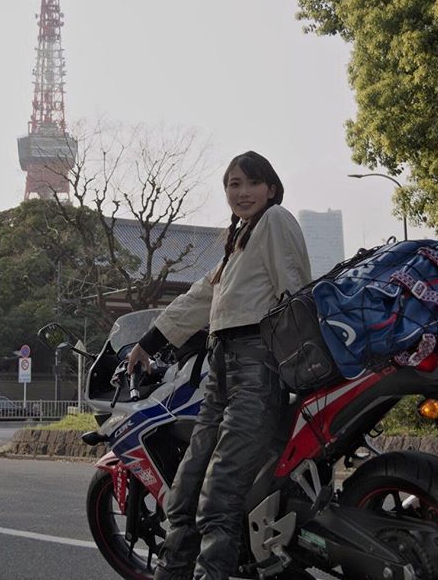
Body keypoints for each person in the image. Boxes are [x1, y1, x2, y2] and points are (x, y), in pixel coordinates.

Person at [127, 150, 312, 580]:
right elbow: (199, 299)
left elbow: (297, 292)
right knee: (185, 490)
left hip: (257, 368)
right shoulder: (240, 239)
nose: (242, 192)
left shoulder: (275, 221)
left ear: (271, 188)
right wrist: (148, 342)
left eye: (251, 183)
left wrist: (301, 366)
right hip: (221, 371)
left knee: (220, 494)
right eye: (233, 184)